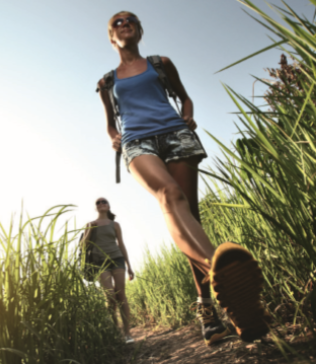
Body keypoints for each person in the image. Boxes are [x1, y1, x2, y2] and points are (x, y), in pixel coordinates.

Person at [96, 11, 269, 345]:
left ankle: (211, 310)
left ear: (139, 30)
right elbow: (109, 123)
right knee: (169, 195)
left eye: (130, 19)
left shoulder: (161, 63)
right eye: (116, 22)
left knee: (190, 214)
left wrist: (188, 115)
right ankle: (220, 274)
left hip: (176, 135)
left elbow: (184, 96)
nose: (124, 23)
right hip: (138, 143)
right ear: (111, 37)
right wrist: (113, 137)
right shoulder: (107, 82)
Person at [82, 197, 135, 344]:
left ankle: (127, 333)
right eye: (97, 203)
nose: (101, 204)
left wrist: (129, 266)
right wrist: (90, 231)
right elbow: (83, 245)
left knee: (121, 294)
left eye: (103, 201)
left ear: (108, 206)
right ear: (95, 208)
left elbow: (121, 244)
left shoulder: (115, 224)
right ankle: (114, 329)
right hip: (99, 262)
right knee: (110, 296)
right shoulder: (90, 224)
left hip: (117, 259)